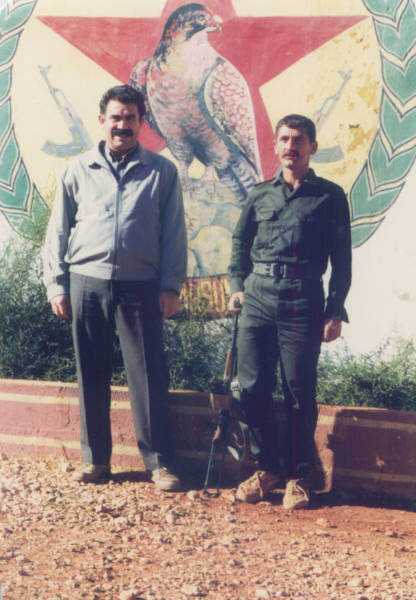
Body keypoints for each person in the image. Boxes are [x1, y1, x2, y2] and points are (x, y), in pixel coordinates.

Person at [43, 84, 187, 490]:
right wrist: (56, 285)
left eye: (130, 118)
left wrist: (170, 286)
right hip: (86, 283)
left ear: (142, 123)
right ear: (102, 120)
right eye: (116, 117)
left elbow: (174, 233)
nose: (123, 125)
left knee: (147, 376)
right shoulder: (77, 169)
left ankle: (159, 463)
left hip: (141, 286)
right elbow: (57, 232)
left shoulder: (161, 172)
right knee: (91, 374)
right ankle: (95, 461)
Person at [227, 114, 351, 509]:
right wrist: (237, 285)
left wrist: (335, 310)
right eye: (284, 139)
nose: (291, 147)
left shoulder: (330, 197)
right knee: (251, 386)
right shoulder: (260, 195)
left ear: (312, 146)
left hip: (302, 298)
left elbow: (342, 260)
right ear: (276, 145)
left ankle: (299, 475)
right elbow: (239, 242)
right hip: (257, 297)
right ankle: (266, 468)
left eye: (299, 140)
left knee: (298, 389)